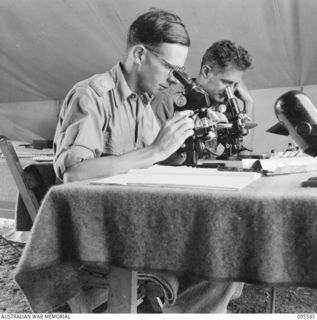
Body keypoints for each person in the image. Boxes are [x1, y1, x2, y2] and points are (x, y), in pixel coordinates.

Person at [53, 9, 241, 313]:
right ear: (140, 54)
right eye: (170, 67)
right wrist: (156, 151)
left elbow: (153, 161)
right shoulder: (92, 96)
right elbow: (75, 174)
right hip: (101, 236)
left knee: (226, 250)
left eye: (180, 70)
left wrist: (178, 148)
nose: (174, 79)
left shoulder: (142, 103)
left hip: (139, 223)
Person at [151, 40, 254, 161]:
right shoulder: (167, 100)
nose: (230, 90)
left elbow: (243, 154)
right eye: (226, 82)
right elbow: (149, 155)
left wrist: (249, 102)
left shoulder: (223, 101)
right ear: (206, 72)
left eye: (235, 85)